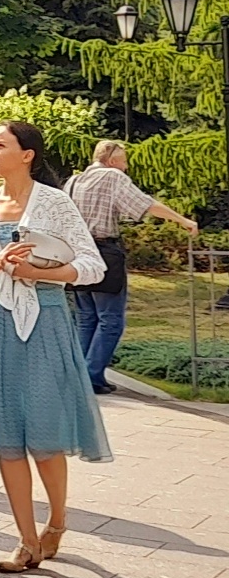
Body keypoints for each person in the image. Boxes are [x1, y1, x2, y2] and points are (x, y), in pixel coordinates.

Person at [0, 121, 112, 573]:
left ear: (26, 154)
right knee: (7, 435)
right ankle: (26, 541)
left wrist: (40, 274)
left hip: (46, 319)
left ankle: (58, 522)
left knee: (45, 434)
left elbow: (92, 266)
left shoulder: (55, 202)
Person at [66, 140, 200, 394]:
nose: (126, 167)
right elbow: (144, 204)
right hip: (105, 254)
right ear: (113, 161)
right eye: (124, 161)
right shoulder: (113, 177)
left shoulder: (73, 181)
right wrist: (183, 221)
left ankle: (78, 376)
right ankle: (92, 376)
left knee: (86, 318)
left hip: (76, 254)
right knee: (110, 320)